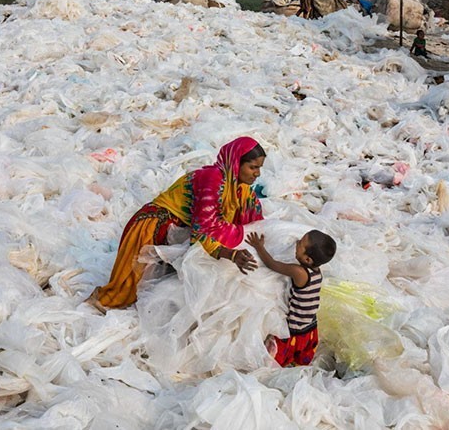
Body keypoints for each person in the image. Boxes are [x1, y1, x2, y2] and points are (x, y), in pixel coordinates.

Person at [88, 137, 266, 312]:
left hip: (175, 229)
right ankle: (96, 300)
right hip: (153, 227)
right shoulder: (212, 180)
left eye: (259, 168)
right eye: (253, 167)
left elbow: (254, 223)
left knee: (160, 289)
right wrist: (231, 255)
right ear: (236, 162)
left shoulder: (241, 190)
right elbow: (202, 231)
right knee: (123, 292)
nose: (257, 173)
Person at [246, 229, 336, 367]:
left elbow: (272, 264)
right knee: (299, 359)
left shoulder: (299, 272)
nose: (296, 243)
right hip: (310, 327)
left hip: (295, 329)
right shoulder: (317, 272)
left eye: (300, 244)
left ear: (307, 259)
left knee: (275, 360)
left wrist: (259, 247)